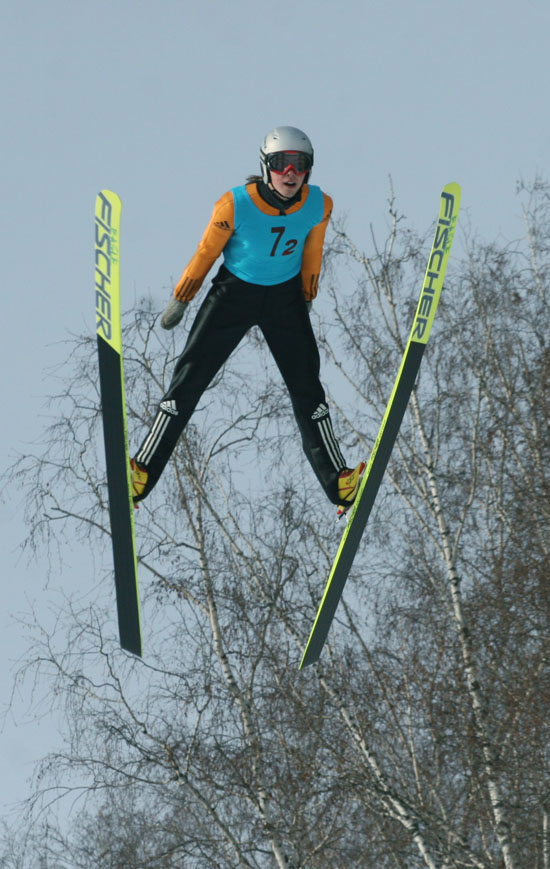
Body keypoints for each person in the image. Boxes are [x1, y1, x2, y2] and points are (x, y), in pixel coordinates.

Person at [131, 126, 364, 512]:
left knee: (308, 389)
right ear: (265, 165)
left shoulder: (319, 205)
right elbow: (206, 253)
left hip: (285, 299)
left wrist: (307, 296)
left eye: (299, 165)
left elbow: (313, 252)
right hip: (233, 295)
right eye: (280, 164)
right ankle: (140, 473)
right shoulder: (235, 204)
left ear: (309, 169)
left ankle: (339, 483)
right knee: (188, 382)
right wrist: (182, 298)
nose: (290, 174)